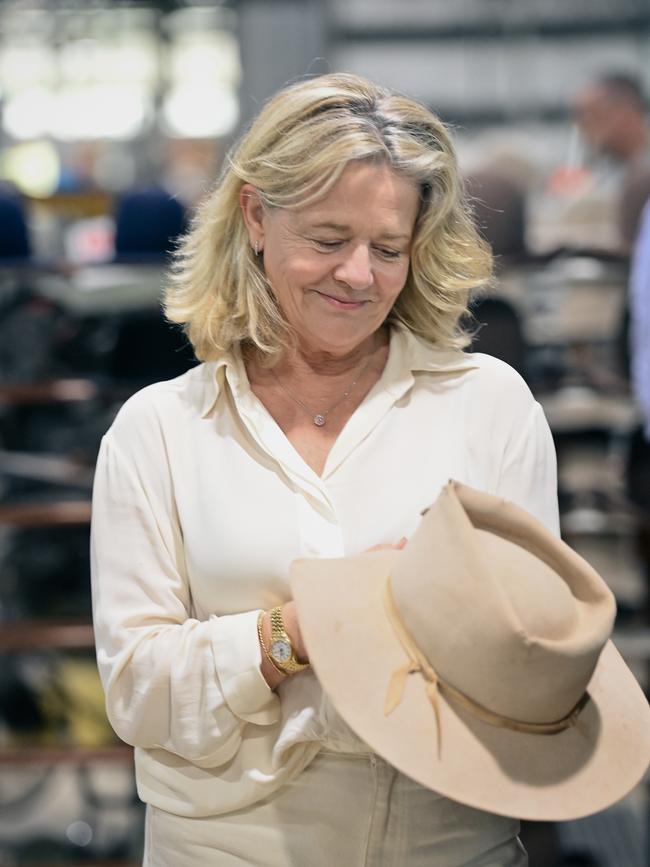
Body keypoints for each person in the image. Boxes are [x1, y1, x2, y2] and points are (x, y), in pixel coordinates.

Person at [91, 73, 559, 866]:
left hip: (450, 841)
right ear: (255, 216)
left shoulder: (490, 405)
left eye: (387, 248)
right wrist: (311, 626)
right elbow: (138, 689)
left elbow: (540, 662)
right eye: (328, 239)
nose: (358, 276)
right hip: (227, 846)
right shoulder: (159, 430)